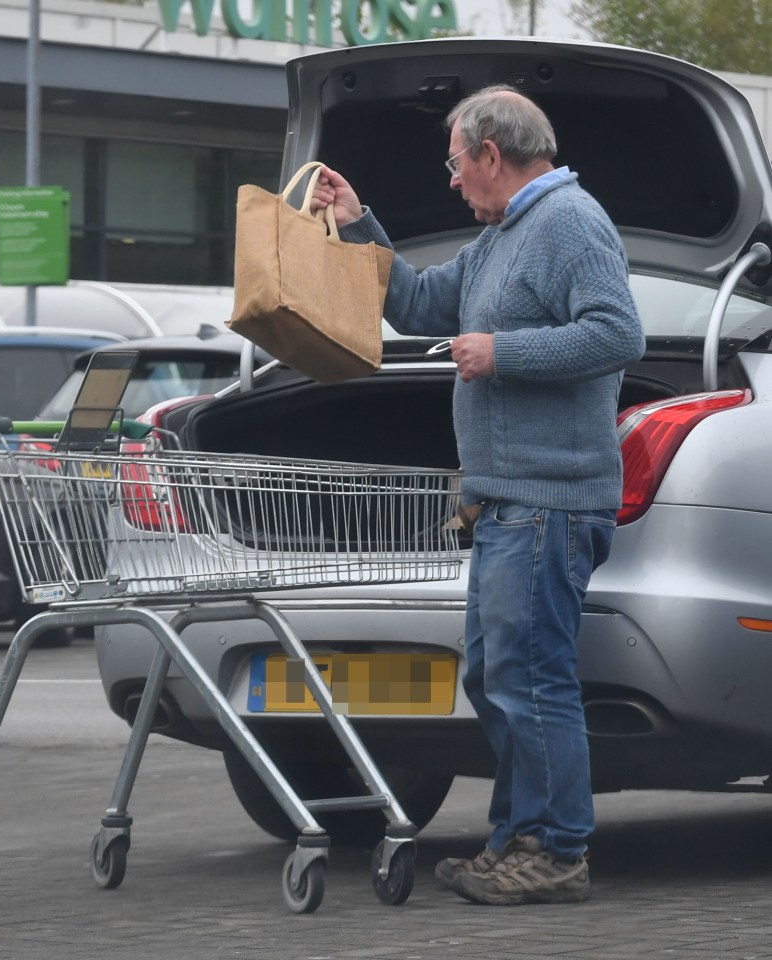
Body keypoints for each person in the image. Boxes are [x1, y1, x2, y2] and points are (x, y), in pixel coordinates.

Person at [310, 85, 646, 906]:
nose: (454, 180)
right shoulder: (503, 236)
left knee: (530, 680)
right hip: (509, 502)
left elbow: (617, 334)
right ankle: (518, 840)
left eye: (457, 163)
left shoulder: (569, 222)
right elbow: (421, 302)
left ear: (493, 154)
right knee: (499, 677)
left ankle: (557, 851)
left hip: (548, 500)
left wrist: (503, 353)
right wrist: (358, 223)